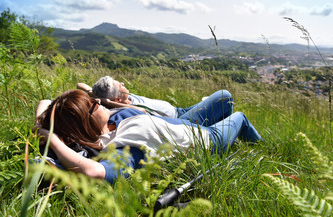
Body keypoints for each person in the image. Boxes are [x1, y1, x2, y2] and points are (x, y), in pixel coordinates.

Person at [35, 90, 262, 184]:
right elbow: (94, 171)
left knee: (224, 97)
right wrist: (53, 140)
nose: (98, 101)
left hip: (185, 123)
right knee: (239, 116)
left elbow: (44, 102)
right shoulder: (125, 147)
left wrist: (41, 125)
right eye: (93, 105)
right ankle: (262, 150)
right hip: (205, 140)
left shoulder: (110, 122)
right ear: (84, 122)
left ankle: (231, 136)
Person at [77, 76, 233, 127]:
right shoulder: (126, 109)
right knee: (224, 97)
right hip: (181, 121)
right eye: (120, 86)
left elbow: (81, 85)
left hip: (181, 110)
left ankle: (222, 134)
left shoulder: (119, 96)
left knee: (220, 105)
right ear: (117, 98)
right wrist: (111, 103)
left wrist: (95, 94)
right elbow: (142, 112)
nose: (123, 84)